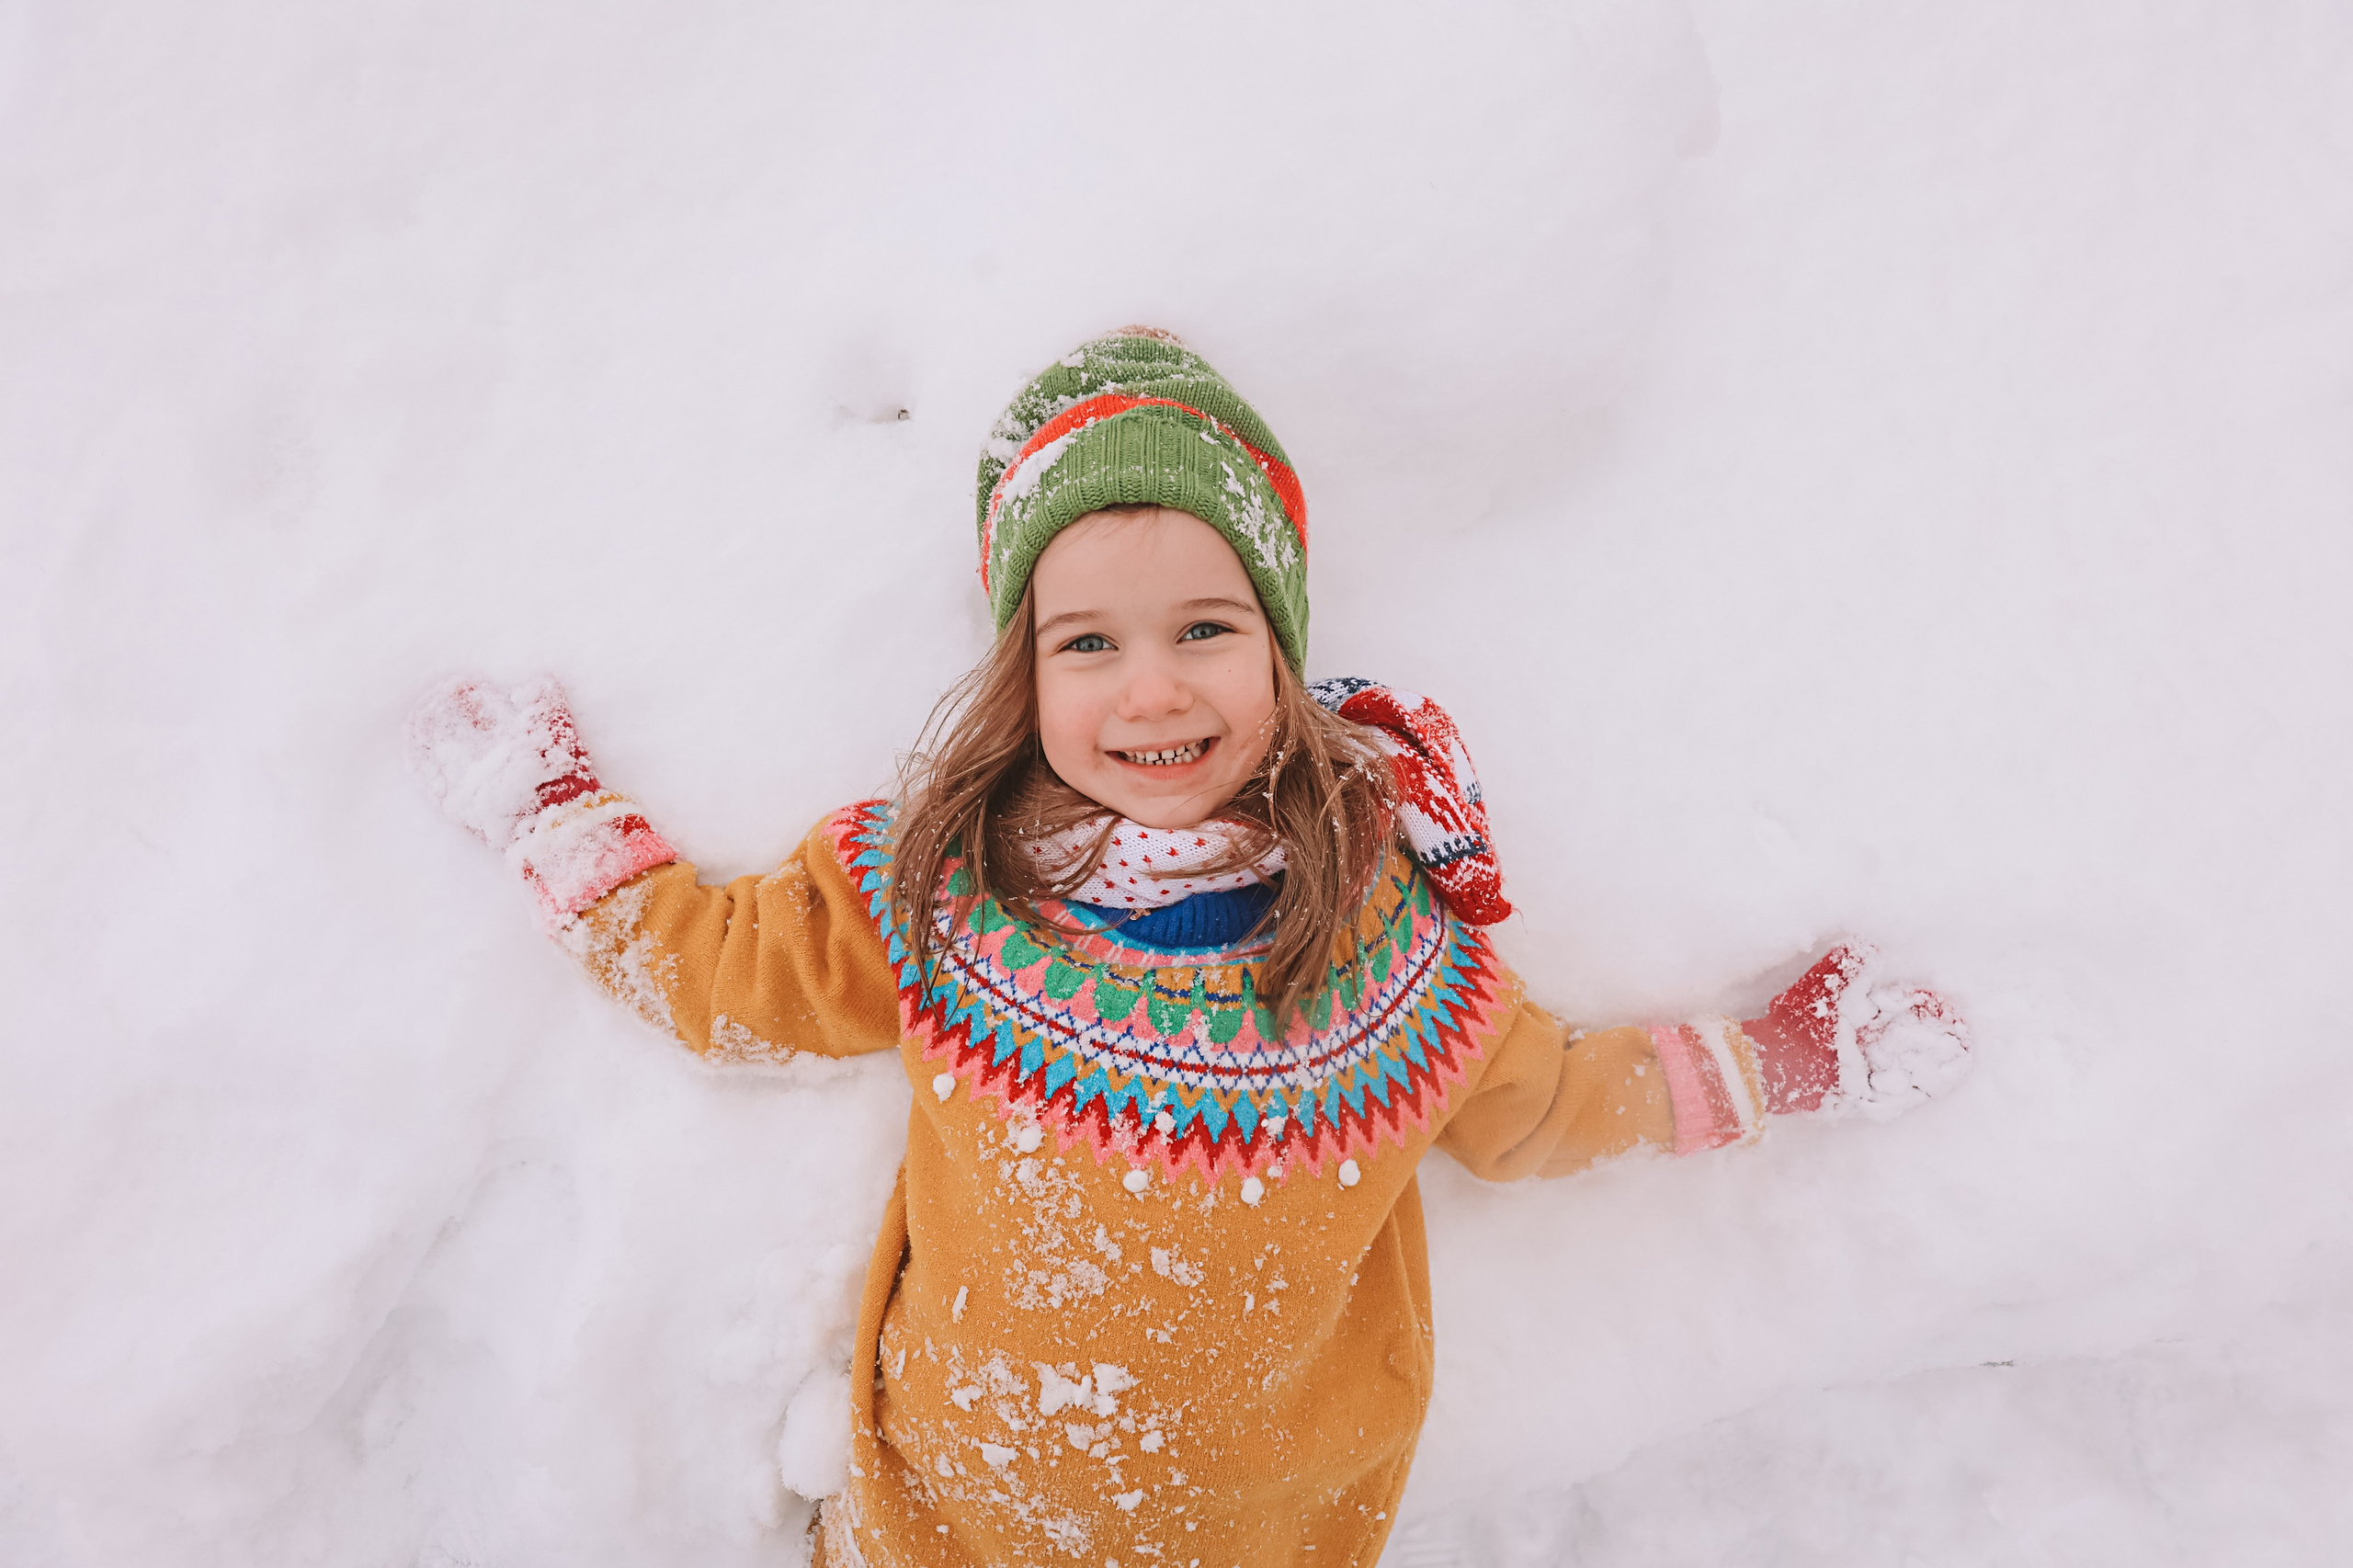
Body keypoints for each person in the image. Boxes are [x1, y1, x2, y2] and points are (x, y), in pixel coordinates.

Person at [407, 328, 1971, 1568]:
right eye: (1087, 643)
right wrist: (559, 825)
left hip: (1269, 1532)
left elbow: (1546, 1105)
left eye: (1205, 629)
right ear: (1021, 672)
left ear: (1284, 653)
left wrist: (1777, 1064)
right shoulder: (944, 893)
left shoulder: (1389, 950)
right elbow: (732, 976)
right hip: (947, 1524)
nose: (1150, 690)